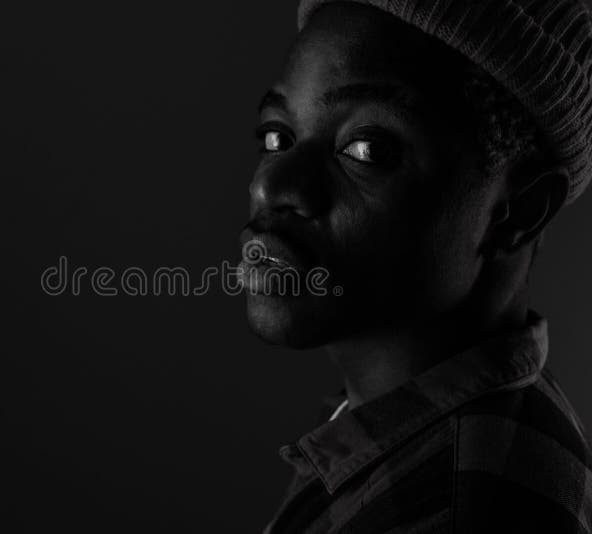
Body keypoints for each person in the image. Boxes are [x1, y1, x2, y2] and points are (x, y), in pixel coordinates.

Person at [239, 1, 592, 532]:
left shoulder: (464, 507)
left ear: (517, 210)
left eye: (366, 148)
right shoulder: (390, 435)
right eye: (276, 137)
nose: (270, 185)